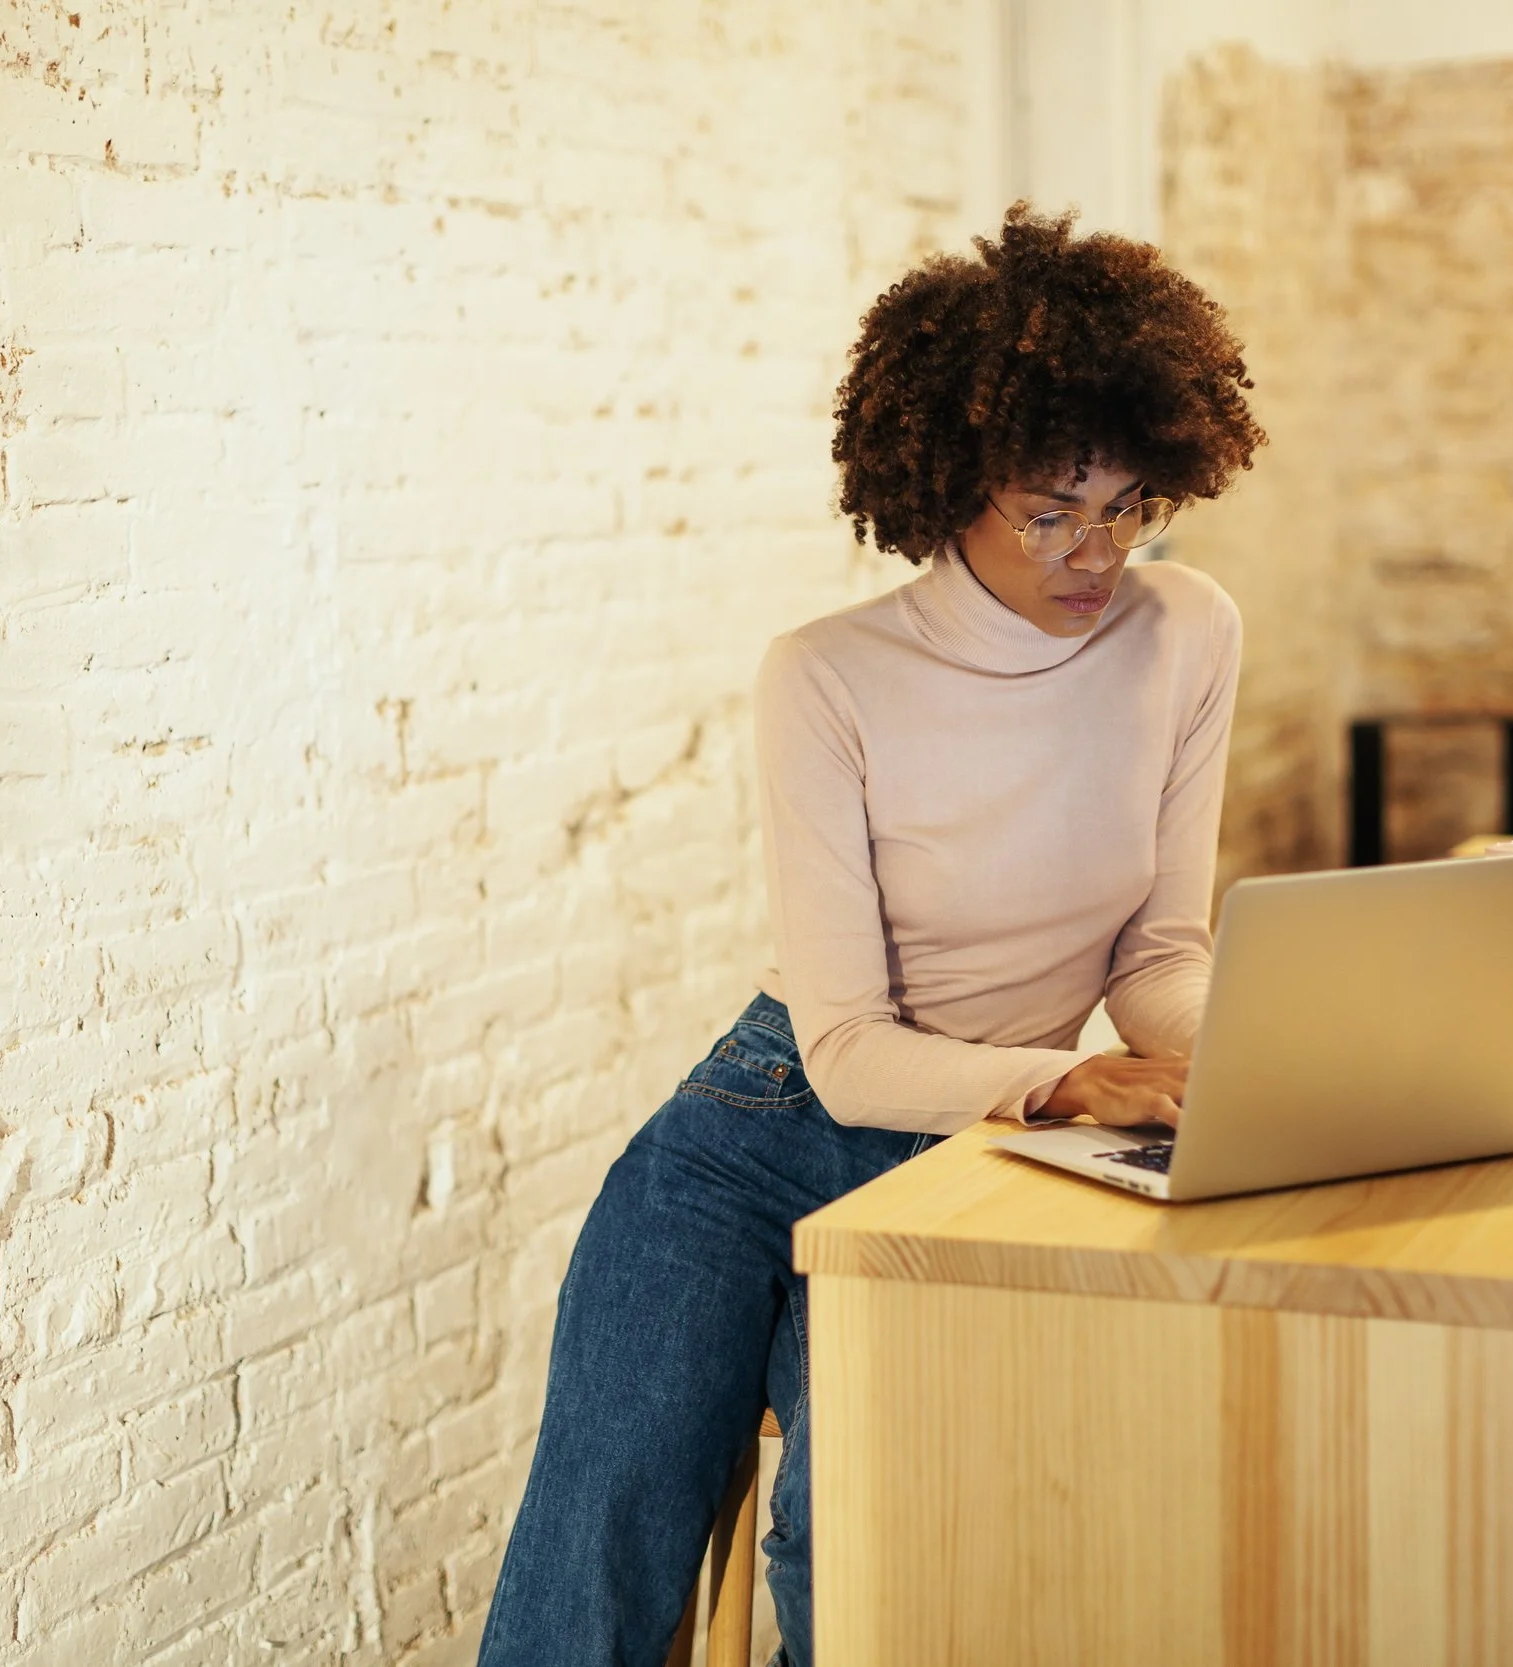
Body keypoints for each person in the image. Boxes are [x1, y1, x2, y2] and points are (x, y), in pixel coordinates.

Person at [477, 204, 1264, 1667]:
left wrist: (1271, 1055)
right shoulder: (827, 677)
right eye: (1051, 510)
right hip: (762, 1124)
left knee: (854, 1545)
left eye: (1132, 505)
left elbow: (1156, 953)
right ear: (952, 484)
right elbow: (844, 1053)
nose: (1098, 551)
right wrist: (1062, 1081)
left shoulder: (1188, 633)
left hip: (972, 1147)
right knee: (604, 1538)